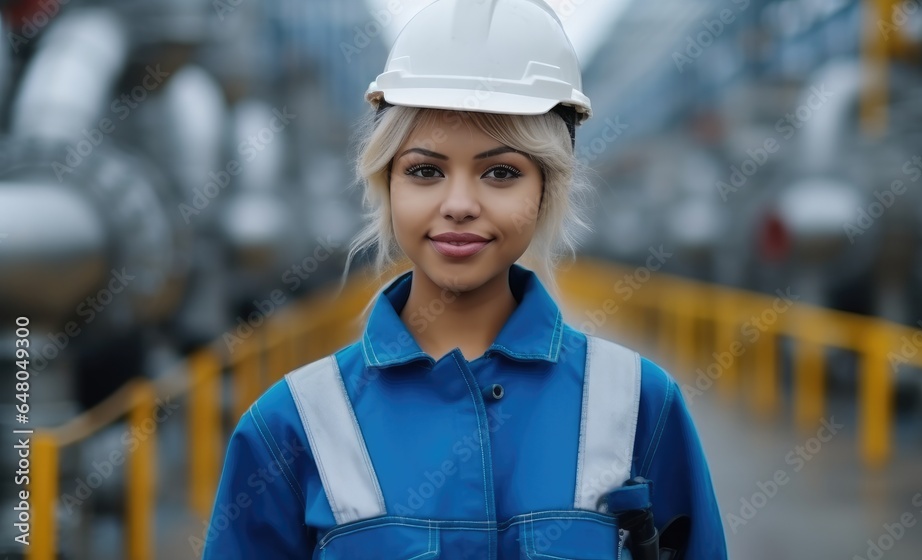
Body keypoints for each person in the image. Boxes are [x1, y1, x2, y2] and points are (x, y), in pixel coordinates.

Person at [200, 0, 727, 558]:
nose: (458, 205)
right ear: (387, 183)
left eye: (500, 172)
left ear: (547, 188)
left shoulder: (639, 403)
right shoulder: (292, 424)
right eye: (425, 171)